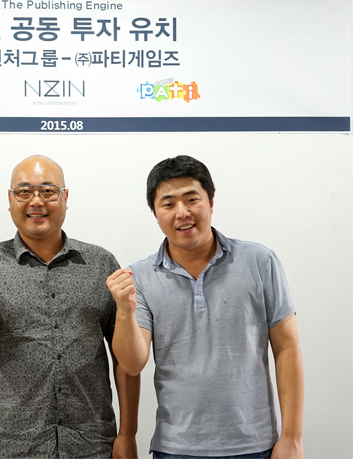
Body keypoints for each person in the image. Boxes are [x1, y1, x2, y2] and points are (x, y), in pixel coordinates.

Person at [107, 155, 304, 459]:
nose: (182, 213)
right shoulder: (140, 277)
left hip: (255, 446)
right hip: (175, 448)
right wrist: (124, 310)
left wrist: (292, 437)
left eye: (192, 199)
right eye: (168, 204)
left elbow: (287, 348)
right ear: (156, 214)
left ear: (211, 202)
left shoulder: (259, 261)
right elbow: (132, 364)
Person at [0, 155, 140, 459]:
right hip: (13, 446)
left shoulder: (100, 263)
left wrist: (127, 434)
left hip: (90, 444)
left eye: (48, 191)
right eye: (24, 192)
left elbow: (126, 358)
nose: (36, 201)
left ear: (65, 198)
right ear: (10, 200)